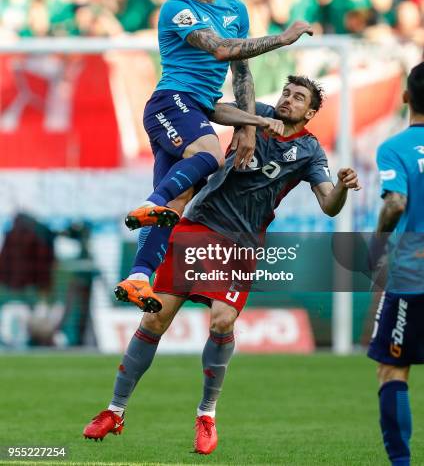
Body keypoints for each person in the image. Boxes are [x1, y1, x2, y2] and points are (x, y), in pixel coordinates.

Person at [83, 75, 361, 452]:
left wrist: (343, 185)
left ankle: (206, 414)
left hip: (240, 244)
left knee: (222, 319)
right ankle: (114, 411)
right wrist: (251, 120)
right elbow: (217, 110)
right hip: (198, 226)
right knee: (153, 318)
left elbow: (329, 205)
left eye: (298, 98)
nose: (288, 100)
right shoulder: (256, 114)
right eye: (286, 92)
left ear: (310, 112)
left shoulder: (311, 151)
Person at [115, 0, 313, 314]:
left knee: (178, 200)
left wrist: (249, 125)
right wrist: (283, 38)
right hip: (170, 104)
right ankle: (147, 203)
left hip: (200, 108)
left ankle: (138, 277)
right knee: (209, 155)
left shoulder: (235, 10)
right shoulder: (178, 9)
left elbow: (241, 73)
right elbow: (222, 50)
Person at [367, 62, 424, 466]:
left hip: (412, 273)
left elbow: (396, 201)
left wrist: (376, 242)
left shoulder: (395, 148)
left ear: (406, 98)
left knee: (392, 370)